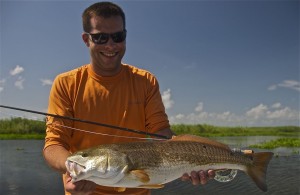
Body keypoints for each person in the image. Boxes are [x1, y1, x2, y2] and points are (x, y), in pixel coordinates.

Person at [43, 2, 215, 195]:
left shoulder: (145, 81)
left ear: (125, 35)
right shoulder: (66, 83)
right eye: (100, 37)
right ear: (86, 39)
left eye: (118, 36)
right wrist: (71, 168)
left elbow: (161, 133)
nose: (110, 45)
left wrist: (190, 160)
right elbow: (53, 145)